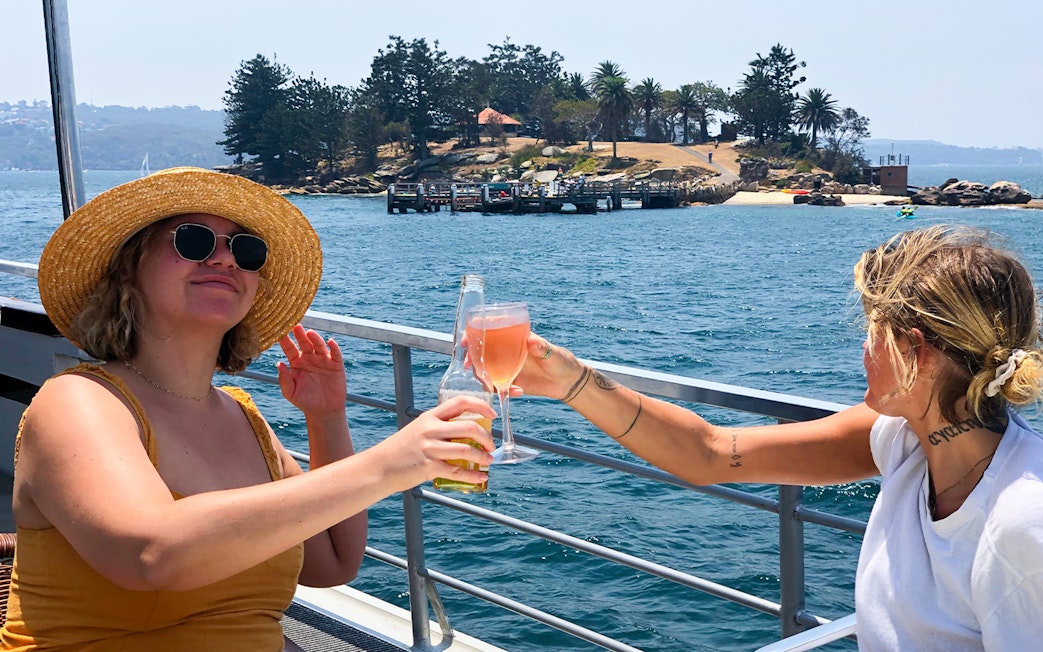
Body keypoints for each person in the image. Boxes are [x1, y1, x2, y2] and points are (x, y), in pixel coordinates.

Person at [1, 167, 494, 650]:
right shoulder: (80, 400)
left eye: (246, 250)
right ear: (129, 268)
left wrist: (326, 419)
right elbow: (151, 554)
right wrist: (392, 463)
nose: (226, 260)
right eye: (193, 241)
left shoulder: (242, 416)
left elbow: (331, 562)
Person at [515, 225, 1043, 650]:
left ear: (917, 353)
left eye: (871, 332)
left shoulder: (1021, 524)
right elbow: (709, 454)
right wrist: (572, 382)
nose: (862, 351)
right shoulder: (905, 439)